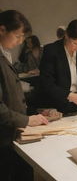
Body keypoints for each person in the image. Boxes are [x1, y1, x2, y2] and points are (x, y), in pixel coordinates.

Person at [0, 10, 48, 180]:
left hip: (11, 132)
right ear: (2, 30)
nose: (20, 41)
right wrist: (27, 120)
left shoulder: (5, 52)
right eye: (17, 36)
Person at [37, 19, 77, 114]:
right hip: (60, 105)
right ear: (66, 35)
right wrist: (69, 95)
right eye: (75, 43)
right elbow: (46, 83)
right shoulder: (51, 50)